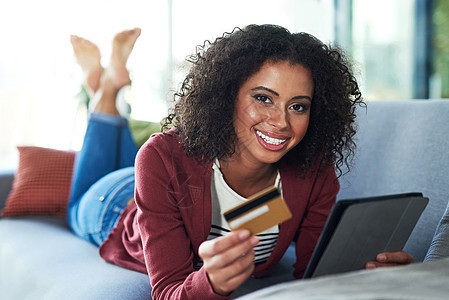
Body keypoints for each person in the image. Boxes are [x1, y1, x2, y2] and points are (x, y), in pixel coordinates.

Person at [68, 25, 414, 300]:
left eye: (298, 106)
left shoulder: (312, 169)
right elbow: (169, 292)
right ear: (225, 94)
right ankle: (107, 90)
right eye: (264, 98)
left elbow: (315, 274)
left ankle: (106, 88)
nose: (281, 121)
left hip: (177, 191)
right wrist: (211, 284)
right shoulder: (162, 157)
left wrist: (370, 275)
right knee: (75, 202)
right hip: (115, 206)